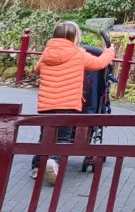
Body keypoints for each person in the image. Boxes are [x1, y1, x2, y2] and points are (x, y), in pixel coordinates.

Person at [31, 20, 115, 176]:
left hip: (45, 106)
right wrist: (109, 52)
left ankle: (37, 167)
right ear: (75, 38)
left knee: (45, 136)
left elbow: (36, 70)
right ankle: (53, 162)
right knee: (63, 138)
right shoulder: (78, 54)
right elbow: (99, 63)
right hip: (67, 106)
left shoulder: (46, 54)